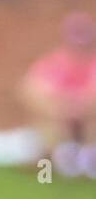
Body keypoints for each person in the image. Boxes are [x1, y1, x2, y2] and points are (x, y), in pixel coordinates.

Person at [20, 12, 96, 177]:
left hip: (88, 121)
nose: (80, 51)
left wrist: (81, 105)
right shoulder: (54, 63)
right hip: (58, 119)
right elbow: (32, 88)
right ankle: (51, 168)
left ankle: (88, 159)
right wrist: (64, 106)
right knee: (49, 125)